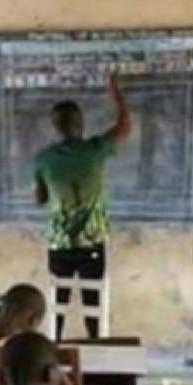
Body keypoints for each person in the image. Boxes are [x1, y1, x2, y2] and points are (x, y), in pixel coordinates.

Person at [33, 73, 131, 340]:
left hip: (59, 243)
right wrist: (116, 93)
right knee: (93, 300)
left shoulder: (42, 159)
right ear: (81, 123)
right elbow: (124, 127)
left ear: (55, 126)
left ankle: (56, 343)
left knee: (58, 300)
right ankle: (95, 344)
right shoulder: (95, 149)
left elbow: (40, 198)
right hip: (92, 242)